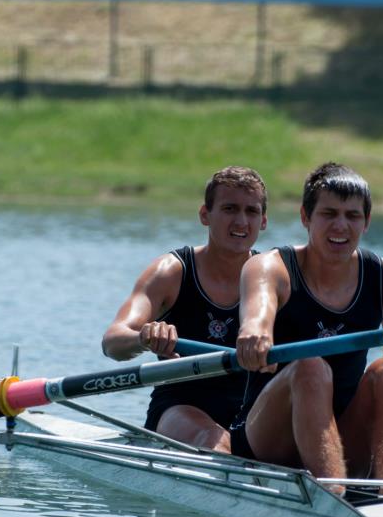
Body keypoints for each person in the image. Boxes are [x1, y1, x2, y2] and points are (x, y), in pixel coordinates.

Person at [232, 162, 383, 494]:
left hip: (342, 436)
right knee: (311, 366)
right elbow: (257, 314)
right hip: (269, 439)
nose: (341, 226)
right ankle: (333, 494)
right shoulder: (271, 268)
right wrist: (254, 334)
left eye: (352, 216)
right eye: (329, 213)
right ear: (306, 217)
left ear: (367, 222)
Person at [101, 166, 267, 453]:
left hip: (253, 409)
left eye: (251, 211)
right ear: (205, 215)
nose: (241, 221)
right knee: (215, 444)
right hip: (180, 406)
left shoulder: (274, 275)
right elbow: (113, 342)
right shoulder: (171, 271)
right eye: (229, 208)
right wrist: (144, 337)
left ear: (263, 221)